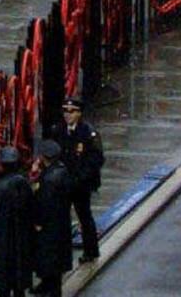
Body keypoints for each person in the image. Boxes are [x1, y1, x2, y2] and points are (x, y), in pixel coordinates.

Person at [52, 96, 103, 265]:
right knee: (62, 218)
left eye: (71, 111)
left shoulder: (88, 133)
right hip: (64, 182)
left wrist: (81, 178)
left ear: (79, 113)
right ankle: (63, 251)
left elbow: (96, 159)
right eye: (65, 111)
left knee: (84, 216)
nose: (67, 114)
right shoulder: (59, 130)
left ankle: (91, 250)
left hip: (81, 184)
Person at [0, 145, 33, 297]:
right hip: (21, 236)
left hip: (2, 236)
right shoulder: (24, 183)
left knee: (4, 275)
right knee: (19, 274)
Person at [30, 139, 75, 297]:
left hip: (49, 227)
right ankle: (47, 285)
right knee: (54, 259)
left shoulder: (49, 180)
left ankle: (52, 289)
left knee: (49, 260)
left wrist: (38, 222)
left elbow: (43, 203)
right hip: (60, 223)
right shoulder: (61, 171)